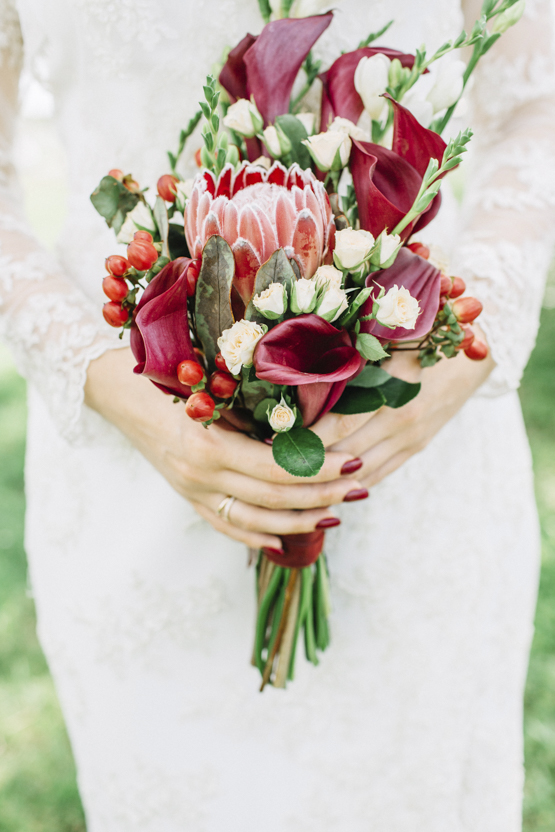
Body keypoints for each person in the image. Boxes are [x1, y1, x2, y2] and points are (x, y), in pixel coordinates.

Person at [1, 0, 554, 829]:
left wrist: (460, 351)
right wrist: (121, 392)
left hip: (415, 468)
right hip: (137, 485)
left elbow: (533, 104)